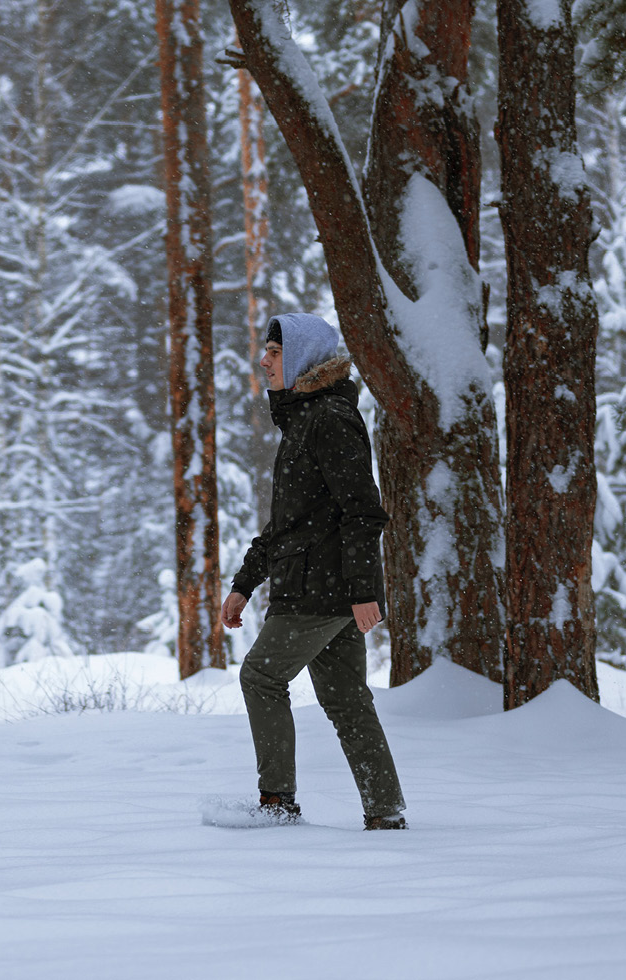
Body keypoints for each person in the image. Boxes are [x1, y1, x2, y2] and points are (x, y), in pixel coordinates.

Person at [221, 312, 407, 831]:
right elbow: (287, 521)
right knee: (347, 700)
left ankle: (277, 804)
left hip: (318, 589)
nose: (264, 361)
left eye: (275, 354)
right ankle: (386, 812)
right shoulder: (305, 419)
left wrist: (365, 590)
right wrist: (244, 582)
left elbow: (362, 510)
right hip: (320, 586)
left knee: (260, 676)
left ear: (301, 357)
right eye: (266, 352)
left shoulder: (328, 419)